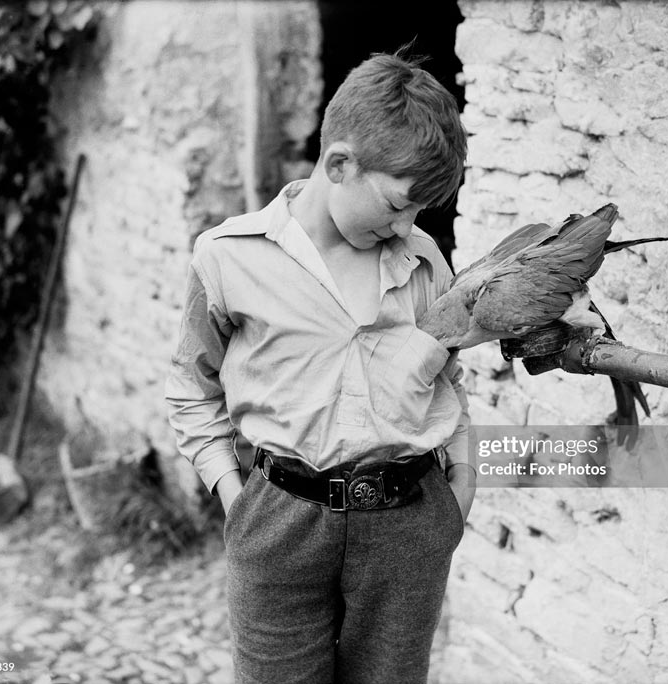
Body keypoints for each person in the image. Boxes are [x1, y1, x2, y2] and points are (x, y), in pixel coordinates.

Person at [165, 50, 474, 684]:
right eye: (397, 204)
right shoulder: (227, 258)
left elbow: (447, 379)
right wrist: (235, 496)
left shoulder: (422, 260)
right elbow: (192, 392)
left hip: (408, 524)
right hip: (281, 521)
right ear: (339, 164)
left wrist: (462, 481)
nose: (408, 225)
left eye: (422, 213)